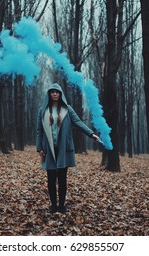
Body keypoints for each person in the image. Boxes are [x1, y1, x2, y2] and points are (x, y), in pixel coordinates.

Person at [36, 83, 101, 214]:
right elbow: (39, 130)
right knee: (51, 179)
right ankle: (53, 205)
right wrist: (39, 148)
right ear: (49, 94)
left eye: (57, 92)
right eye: (52, 91)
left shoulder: (68, 109)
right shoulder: (42, 110)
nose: (55, 94)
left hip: (63, 149)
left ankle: (62, 206)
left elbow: (78, 123)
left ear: (60, 94)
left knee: (62, 178)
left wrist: (91, 134)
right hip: (49, 150)